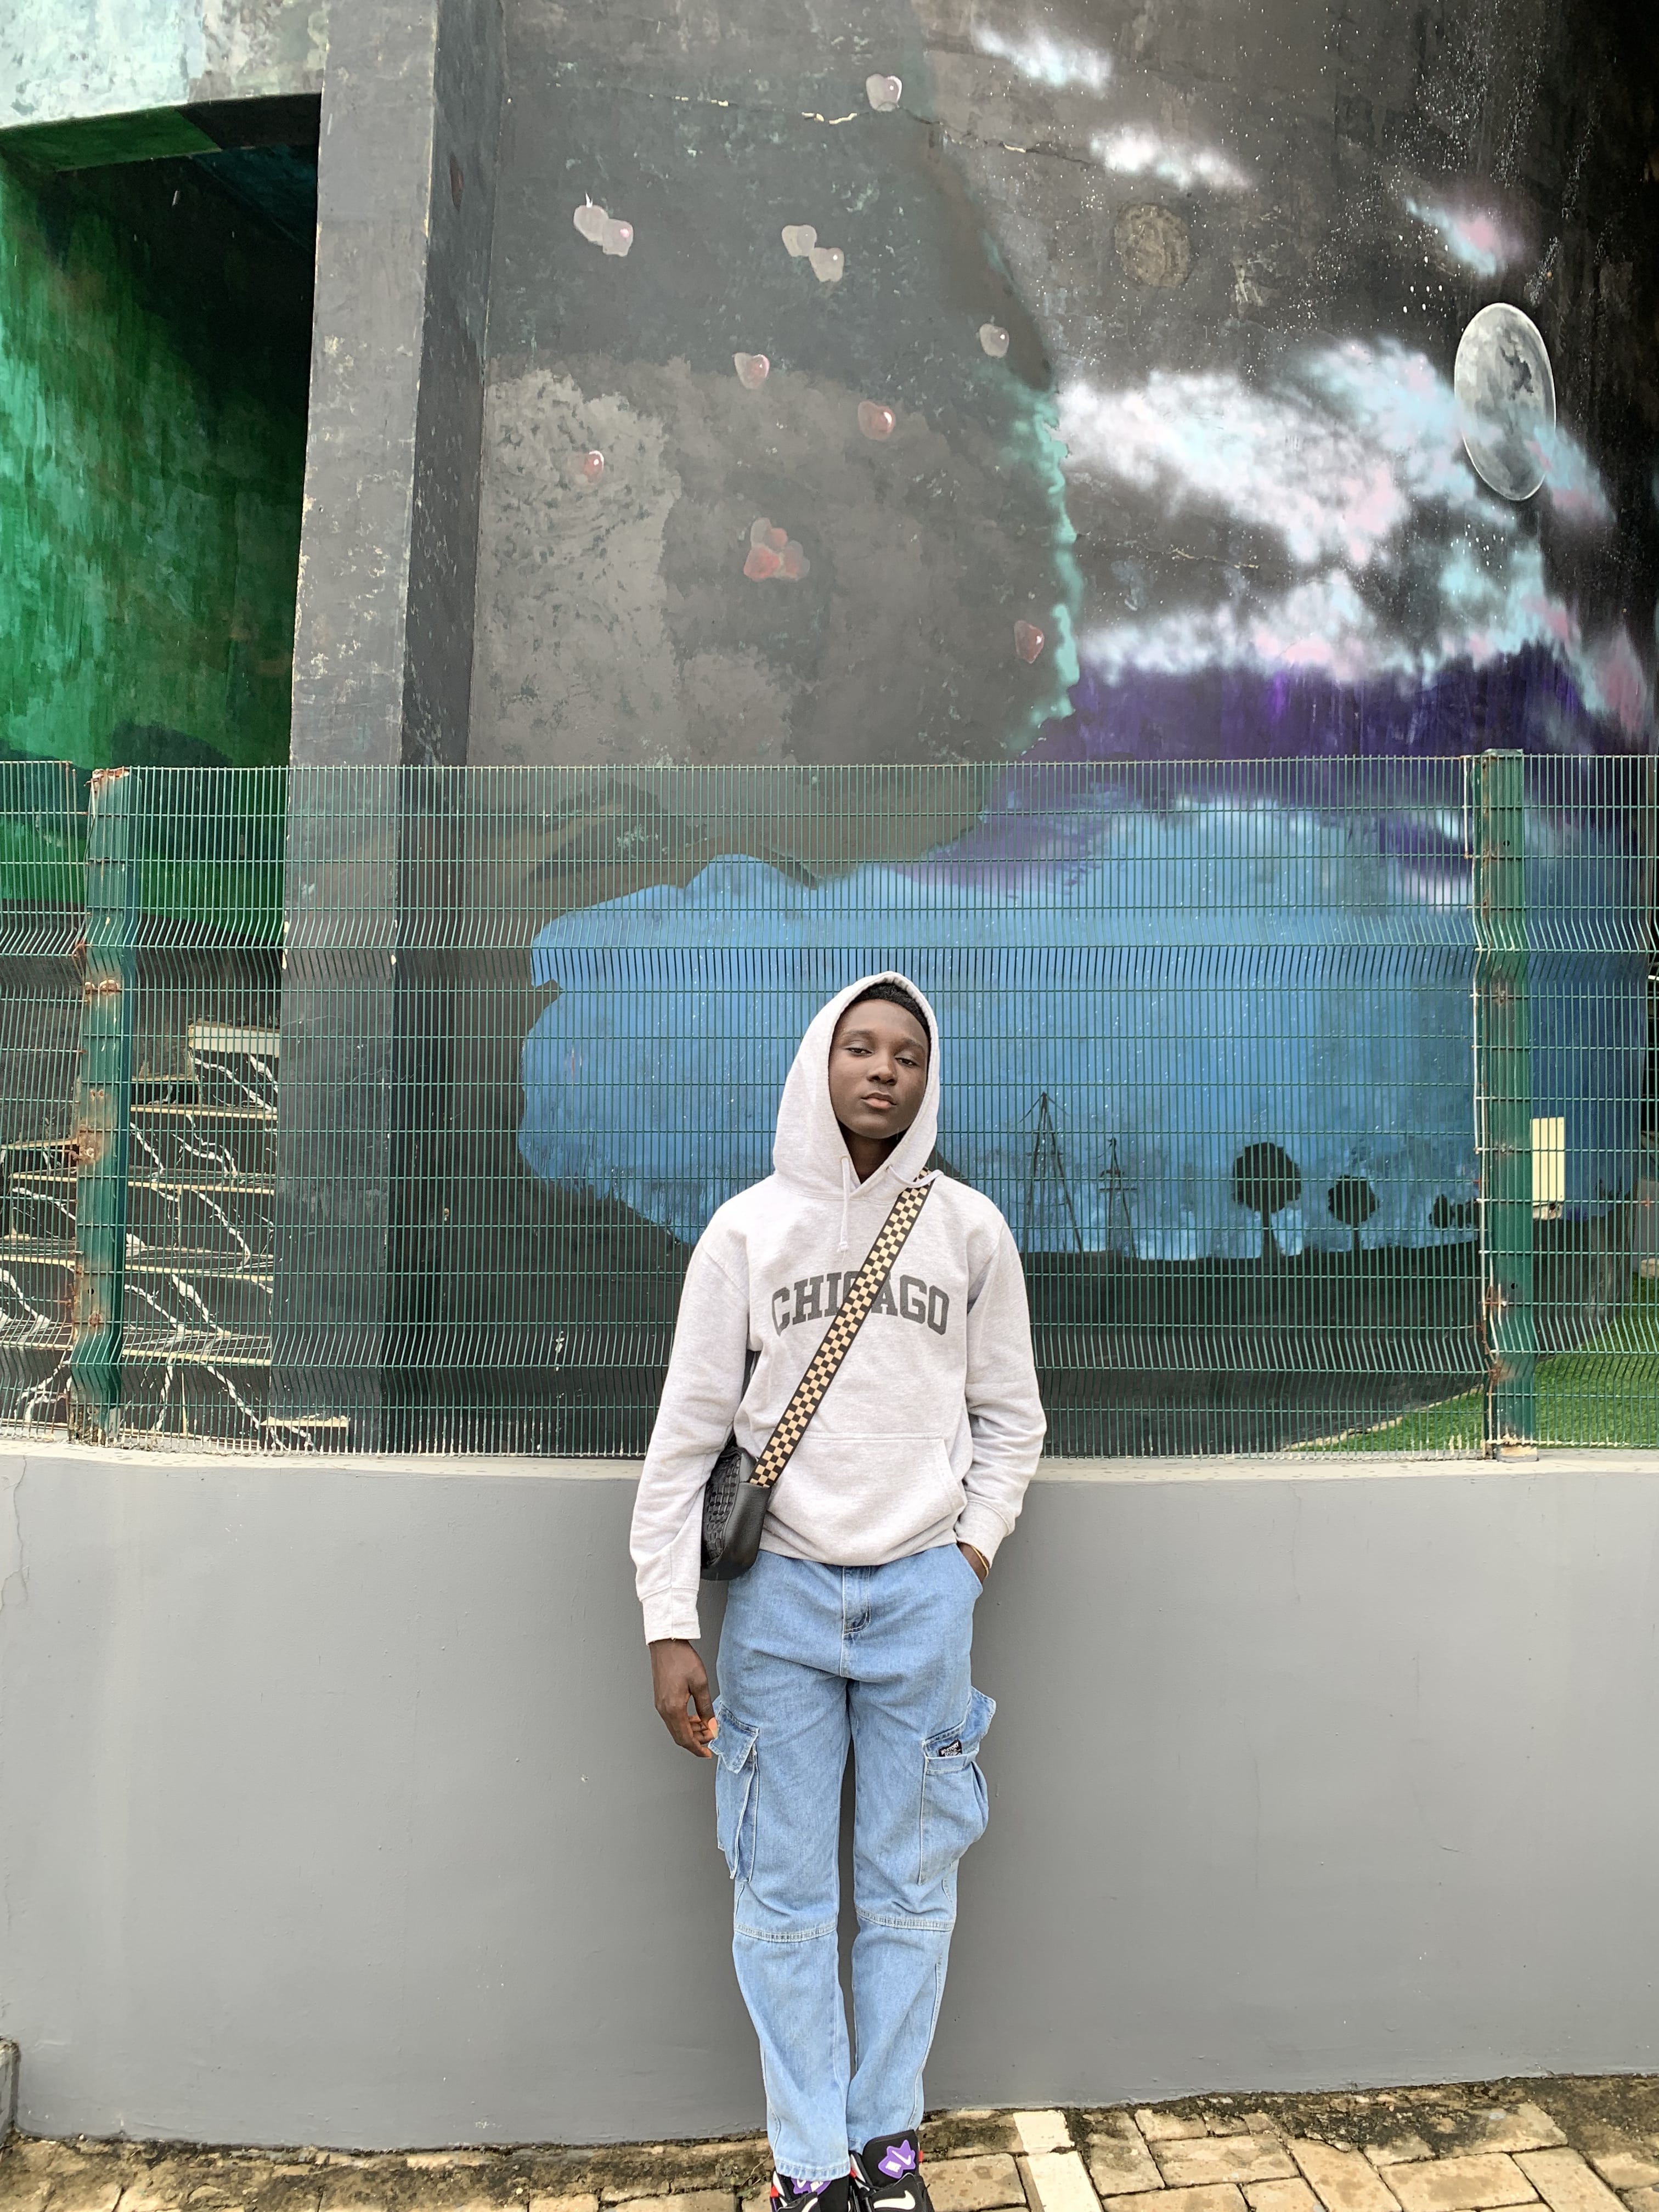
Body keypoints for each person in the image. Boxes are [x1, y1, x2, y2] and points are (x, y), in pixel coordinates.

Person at [631, 972, 1046, 2212]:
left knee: (914, 1890)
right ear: (820, 1063)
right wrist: (668, 1623)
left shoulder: (969, 1232)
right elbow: (684, 1443)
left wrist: (967, 1558)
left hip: (923, 1596)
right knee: (784, 1895)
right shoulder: (746, 1233)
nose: (882, 1070)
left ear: (928, 1079)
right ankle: (809, 2166)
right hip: (781, 1603)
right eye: (859, 1047)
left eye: (907, 1054)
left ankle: (889, 2147)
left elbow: (1012, 1420)